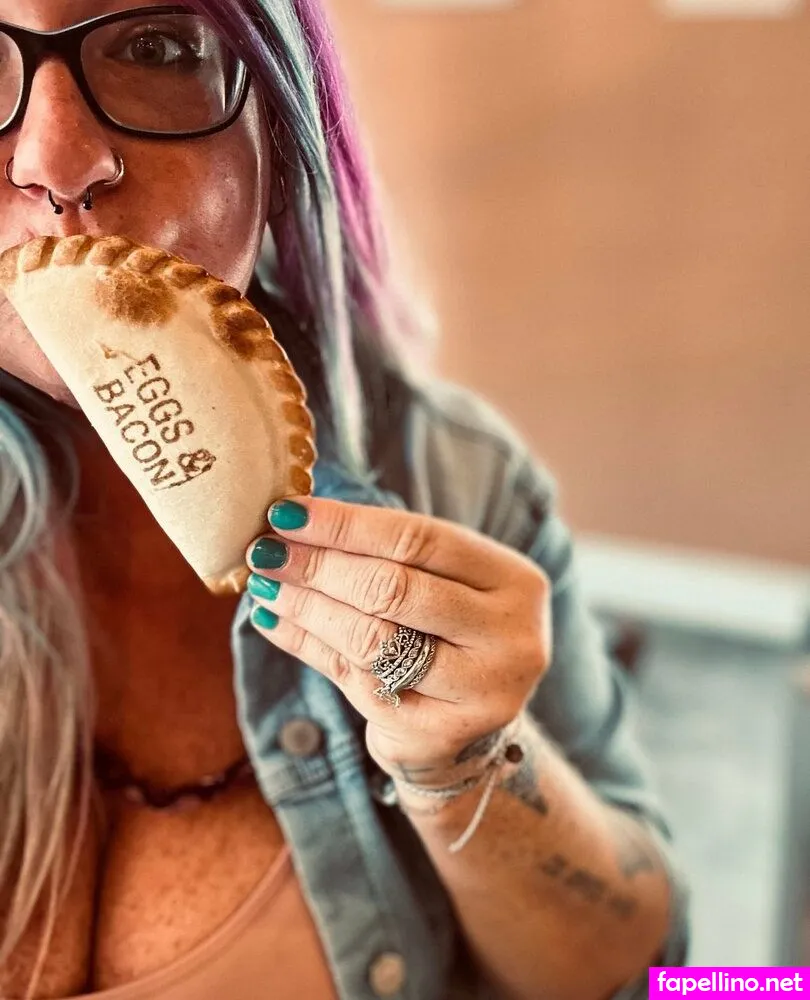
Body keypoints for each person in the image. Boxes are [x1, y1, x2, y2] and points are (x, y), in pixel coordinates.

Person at [0, 0, 689, 997]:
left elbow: (667, 976)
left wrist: (467, 763)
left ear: (281, 129)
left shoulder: (451, 478)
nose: (58, 161)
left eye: (155, 47)